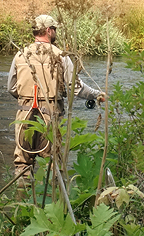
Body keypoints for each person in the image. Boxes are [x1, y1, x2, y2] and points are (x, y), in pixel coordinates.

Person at [7, 14, 105, 181]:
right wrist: (98, 95)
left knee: (22, 165)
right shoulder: (61, 56)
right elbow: (76, 89)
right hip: (50, 113)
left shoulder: (21, 54)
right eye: (54, 29)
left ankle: (22, 201)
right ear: (48, 30)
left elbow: (11, 87)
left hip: (24, 114)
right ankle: (52, 203)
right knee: (51, 166)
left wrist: (26, 98)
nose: (55, 33)